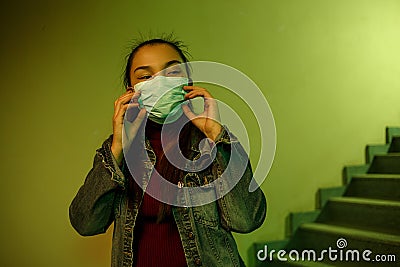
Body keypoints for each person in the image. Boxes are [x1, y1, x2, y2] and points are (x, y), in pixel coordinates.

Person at [69, 35, 267, 267]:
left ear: (188, 81)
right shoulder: (118, 151)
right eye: (146, 76)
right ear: (131, 91)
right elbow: (85, 223)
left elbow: (247, 220)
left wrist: (217, 136)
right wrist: (117, 148)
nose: (159, 81)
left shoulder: (210, 144)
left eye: (172, 72)